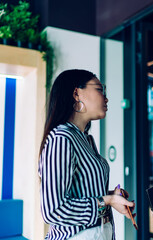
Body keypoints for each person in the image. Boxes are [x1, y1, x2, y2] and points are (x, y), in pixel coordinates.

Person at [38, 69, 135, 240]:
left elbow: (83, 192)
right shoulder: (61, 138)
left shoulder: (85, 139)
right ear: (77, 93)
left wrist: (112, 196)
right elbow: (53, 210)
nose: (106, 97)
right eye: (100, 89)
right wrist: (107, 200)